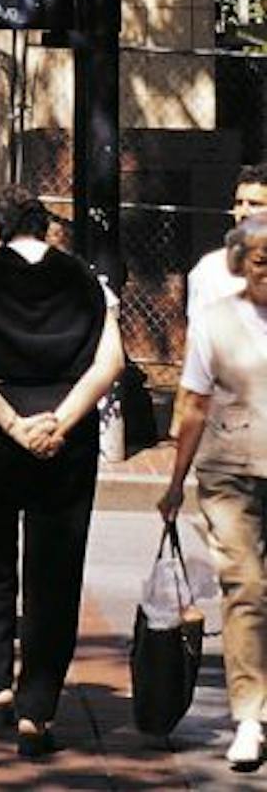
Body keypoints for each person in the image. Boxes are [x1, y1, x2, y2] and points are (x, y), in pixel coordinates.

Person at [0, 185, 125, 759]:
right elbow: (110, 361)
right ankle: (37, 711)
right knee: (55, 570)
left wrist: (13, 424)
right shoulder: (86, 279)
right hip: (67, 435)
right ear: (47, 227)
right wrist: (63, 420)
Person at [159, 212, 267, 773]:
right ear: (239, 264)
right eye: (260, 260)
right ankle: (249, 714)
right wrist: (175, 483)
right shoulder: (213, 321)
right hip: (230, 470)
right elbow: (193, 404)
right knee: (245, 585)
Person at [188, 167, 267, 324]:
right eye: (239, 203)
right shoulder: (211, 270)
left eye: (255, 204)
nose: (244, 211)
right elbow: (198, 339)